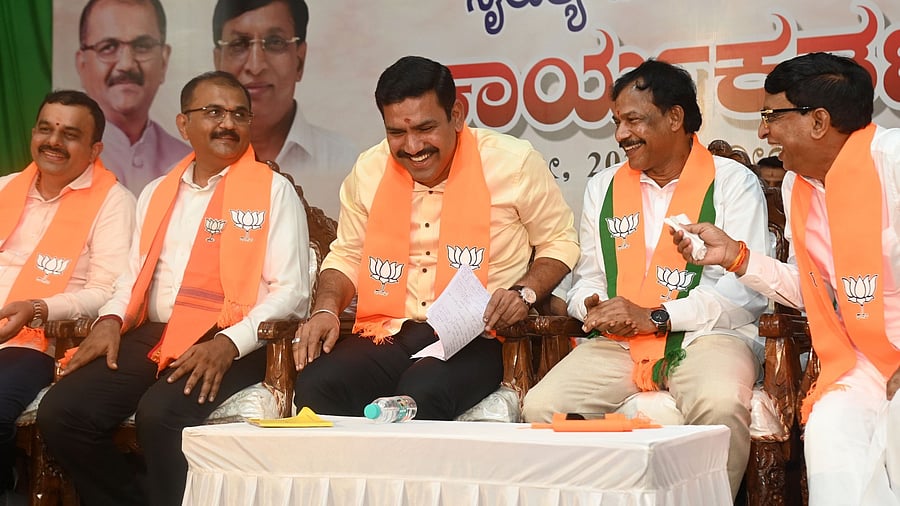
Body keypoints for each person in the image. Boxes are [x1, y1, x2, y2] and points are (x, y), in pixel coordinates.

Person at [38, 71, 310, 506]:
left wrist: (227, 343)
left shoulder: (273, 192)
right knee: (63, 413)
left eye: (240, 114)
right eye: (214, 112)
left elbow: (293, 293)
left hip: (232, 338)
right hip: (156, 332)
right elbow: (132, 276)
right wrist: (109, 319)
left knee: (161, 415)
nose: (228, 124)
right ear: (184, 125)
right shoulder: (156, 192)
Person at [521, 59, 769, 498]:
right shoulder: (603, 187)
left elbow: (742, 294)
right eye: (617, 122)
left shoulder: (733, 182)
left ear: (675, 117)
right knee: (543, 408)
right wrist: (593, 308)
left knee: (720, 404)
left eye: (634, 120)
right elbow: (588, 279)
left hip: (709, 337)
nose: (621, 135)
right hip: (620, 342)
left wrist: (656, 317)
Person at [292, 55, 579, 421]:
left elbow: (559, 241)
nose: (412, 146)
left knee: (422, 393)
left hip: (480, 336)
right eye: (397, 132)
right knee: (319, 384)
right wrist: (325, 309)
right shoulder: (369, 169)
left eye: (425, 128)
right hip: (390, 330)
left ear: (456, 115)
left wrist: (523, 293)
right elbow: (348, 255)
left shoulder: (513, 162)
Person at [674, 52, 900, 505]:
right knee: (830, 430)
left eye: (771, 115)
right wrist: (737, 258)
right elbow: (812, 290)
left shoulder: (892, 160)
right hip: (857, 363)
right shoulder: (800, 186)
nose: (763, 131)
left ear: (818, 120)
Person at [0, 90, 134, 500]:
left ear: (95, 149)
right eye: (46, 128)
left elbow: (108, 290)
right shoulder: (5, 188)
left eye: (70, 134)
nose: (53, 141)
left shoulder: (114, 202)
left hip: (39, 343)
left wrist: (39, 309)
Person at [212, 0, 360, 219]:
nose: (255, 65)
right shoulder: (190, 170)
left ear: (299, 61)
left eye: (274, 42)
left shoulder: (347, 162)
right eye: (239, 44)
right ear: (218, 61)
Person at [76, 0, 191, 194]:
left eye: (142, 46)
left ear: (163, 61)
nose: (126, 64)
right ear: (82, 65)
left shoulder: (189, 163)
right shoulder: (62, 157)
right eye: (108, 47)